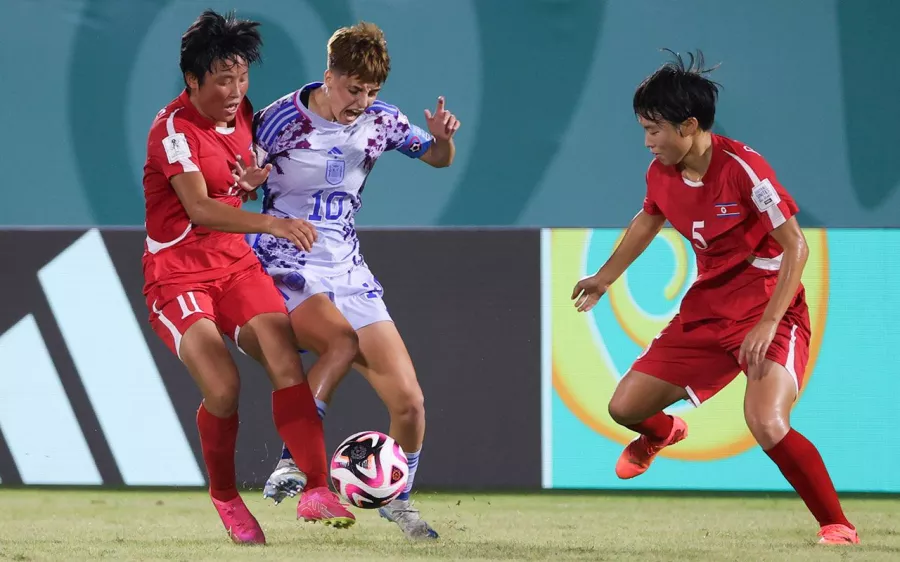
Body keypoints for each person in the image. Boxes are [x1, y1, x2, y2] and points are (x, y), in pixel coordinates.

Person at [570, 50, 859, 546]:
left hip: (771, 310)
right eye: (643, 129)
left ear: (688, 125)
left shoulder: (745, 169)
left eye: (654, 130)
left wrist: (768, 324)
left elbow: (797, 246)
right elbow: (649, 218)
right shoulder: (660, 174)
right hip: (708, 310)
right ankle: (663, 432)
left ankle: (837, 525)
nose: (647, 142)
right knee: (624, 407)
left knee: (765, 422)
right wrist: (605, 276)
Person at [142, 9, 354, 544]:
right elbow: (200, 209)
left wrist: (255, 181)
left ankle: (316, 487)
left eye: (242, 78)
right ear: (192, 80)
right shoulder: (172, 131)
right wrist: (273, 222)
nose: (236, 91)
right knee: (224, 387)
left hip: (235, 265)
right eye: (222, 80)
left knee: (285, 358)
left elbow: (236, 185)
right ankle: (226, 496)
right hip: (178, 275)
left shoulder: (241, 115)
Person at [242, 21, 459, 540]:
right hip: (283, 259)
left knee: (409, 402)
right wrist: (245, 184)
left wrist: (445, 141)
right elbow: (236, 188)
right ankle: (294, 460)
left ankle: (398, 500)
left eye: (372, 91)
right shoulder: (276, 122)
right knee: (337, 342)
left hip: (347, 266)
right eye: (353, 88)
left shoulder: (382, 121)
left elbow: (434, 158)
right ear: (328, 76)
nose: (362, 100)